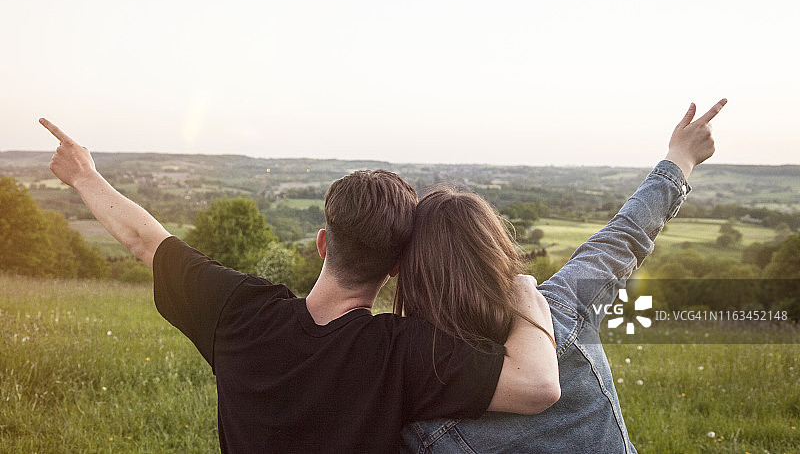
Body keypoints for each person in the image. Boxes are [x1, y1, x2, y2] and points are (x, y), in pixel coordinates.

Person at [38, 119, 560, 454]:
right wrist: (522, 290)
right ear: (395, 267)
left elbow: (144, 240)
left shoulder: (238, 313)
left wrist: (83, 174)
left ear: (322, 243)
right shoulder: (401, 352)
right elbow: (539, 386)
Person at [397, 100, 727, 453]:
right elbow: (626, 234)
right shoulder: (562, 307)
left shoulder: (418, 402)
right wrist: (680, 158)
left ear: (415, 276)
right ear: (497, 253)